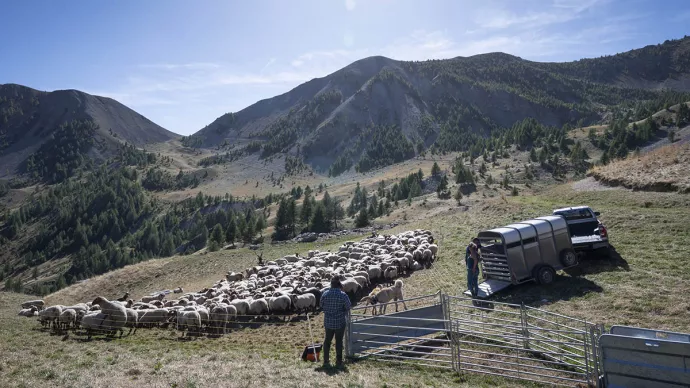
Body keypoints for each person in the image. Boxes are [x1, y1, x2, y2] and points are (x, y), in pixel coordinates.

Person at [320, 276, 352, 368]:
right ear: (339, 285)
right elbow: (348, 306)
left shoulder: (325, 294)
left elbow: (321, 305)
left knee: (327, 341)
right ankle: (338, 361)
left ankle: (326, 360)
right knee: (339, 342)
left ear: (331, 285)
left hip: (328, 322)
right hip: (339, 322)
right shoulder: (343, 295)